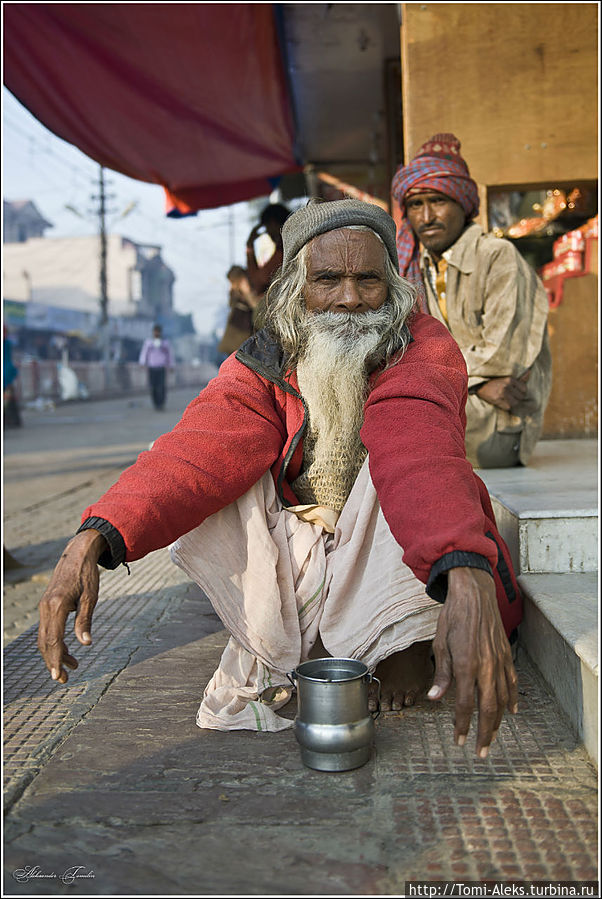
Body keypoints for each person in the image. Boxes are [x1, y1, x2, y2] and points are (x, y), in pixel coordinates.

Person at [38, 199, 521, 759]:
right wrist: (94, 537)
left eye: (368, 279)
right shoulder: (267, 357)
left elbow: (420, 452)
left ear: (391, 283)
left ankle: (399, 644)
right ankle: (314, 640)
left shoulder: (421, 345)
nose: (348, 298)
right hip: (309, 536)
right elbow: (196, 452)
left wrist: (465, 568)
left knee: (391, 469)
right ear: (297, 285)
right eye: (328, 279)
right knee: (217, 477)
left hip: (397, 533)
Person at [392, 133, 552, 469]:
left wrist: (432, 379)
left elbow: (502, 358)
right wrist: (479, 385)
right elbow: (405, 353)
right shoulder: (414, 267)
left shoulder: (498, 256)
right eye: (416, 205)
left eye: (437, 201)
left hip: (500, 421)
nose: (426, 216)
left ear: (462, 204)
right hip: (462, 399)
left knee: (398, 425)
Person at [245, 203, 290, 301]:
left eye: (267, 227)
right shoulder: (290, 243)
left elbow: (257, 281)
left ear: (273, 223)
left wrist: (250, 246)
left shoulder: (283, 250)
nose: (267, 233)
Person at [217, 266, 260, 357]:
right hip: (236, 335)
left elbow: (257, 306)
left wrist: (247, 291)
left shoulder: (251, 289)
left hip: (243, 335)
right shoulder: (235, 294)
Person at [138, 324, 174, 411]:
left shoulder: (165, 343)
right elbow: (144, 353)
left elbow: (170, 354)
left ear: (160, 332)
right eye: (155, 331)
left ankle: (161, 403)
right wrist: (142, 362)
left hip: (161, 368)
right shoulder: (148, 343)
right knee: (153, 387)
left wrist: (171, 365)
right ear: (153, 332)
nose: (156, 333)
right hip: (152, 368)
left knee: (161, 386)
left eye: (158, 332)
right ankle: (156, 403)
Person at [3, 325, 22, 428]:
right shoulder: (7, 344)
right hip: (6, 375)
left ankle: (13, 421)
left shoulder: (7, 345)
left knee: (9, 400)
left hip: (6, 376)